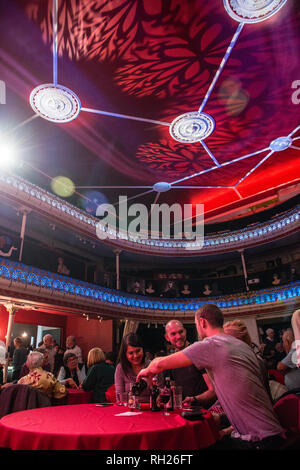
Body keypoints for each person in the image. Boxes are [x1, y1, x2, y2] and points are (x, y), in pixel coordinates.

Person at [137, 304, 285, 450]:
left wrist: (145, 373)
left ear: (202, 322)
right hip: (272, 434)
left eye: (196, 324)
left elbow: (158, 364)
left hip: (259, 441)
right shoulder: (242, 346)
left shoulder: (211, 345)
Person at [164, 320, 216, 407]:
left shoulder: (197, 353)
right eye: (173, 334)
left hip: (205, 412)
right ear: (167, 337)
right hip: (185, 412)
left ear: (185, 331)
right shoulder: (172, 360)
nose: (178, 336)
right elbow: (175, 390)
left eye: (181, 332)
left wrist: (194, 399)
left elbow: (213, 391)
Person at [115, 333, 155, 402]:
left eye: (138, 351)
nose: (135, 356)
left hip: (151, 409)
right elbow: (119, 397)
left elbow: (161, 393)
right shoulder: (121, 368)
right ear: (125, 354)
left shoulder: (152, 366)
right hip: (129, 410)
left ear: (143, 349)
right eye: (131, 353)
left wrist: (151, 385)